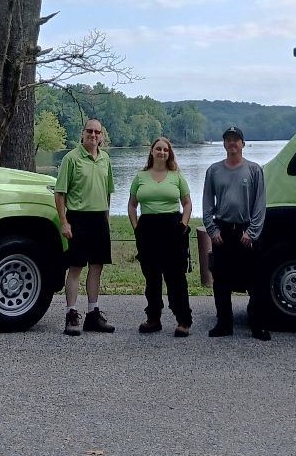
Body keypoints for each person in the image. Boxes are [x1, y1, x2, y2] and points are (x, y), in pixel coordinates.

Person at [201, 125, 270, 341]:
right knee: (221, 281)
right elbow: (206, 204)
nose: (232, 143)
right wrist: (212, 230)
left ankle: (257, 324)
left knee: (255, 281)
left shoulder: (254, 170)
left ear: (243, 144)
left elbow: (260, 205)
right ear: (223, 143)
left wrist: (253, 232)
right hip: (223, 231)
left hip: (246, 232)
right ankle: (224, 323)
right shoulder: (213, 171)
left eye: (236, 139)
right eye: (228, 139)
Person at [126, 136, 194, 337]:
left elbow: (187, 203)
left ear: (169, 153)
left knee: (176, 277)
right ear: (152, 151)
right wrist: (136, 226)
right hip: (148, 230)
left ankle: (183, 320)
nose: (162, 152)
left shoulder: (177, 176)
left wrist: (183, 223)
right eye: (158, 149)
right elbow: (132, 205)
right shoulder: (140, 176)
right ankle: (153, 318)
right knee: (152, 277)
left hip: (173, 228)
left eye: (165, 150)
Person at [54, 119, 116, 336]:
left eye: (97, 132)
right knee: (76, 267)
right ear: (82, 134)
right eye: (89, 131)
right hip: (78, 218)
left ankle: (92, 314)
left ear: (102, 136)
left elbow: (107, 192)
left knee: (97, 266)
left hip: (99, 218)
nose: (93, 135)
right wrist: (64, 222)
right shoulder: (71, 159)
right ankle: (71, 314)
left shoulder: (105, 159)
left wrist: (107, 219)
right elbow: (60, 193)